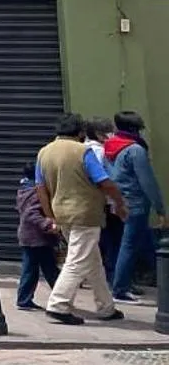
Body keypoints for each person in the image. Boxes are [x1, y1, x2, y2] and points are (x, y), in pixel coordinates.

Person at [36, 113, 128, 324]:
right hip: (85, 214)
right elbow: (104, 181)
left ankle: (106, 307)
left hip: (62, 213)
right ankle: (58, 304)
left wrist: (50, 216)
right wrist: (119, 204)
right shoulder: (82, 151)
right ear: (80, 133)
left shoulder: (44, 153)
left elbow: (40, 188)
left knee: (93, 261)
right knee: (77, 261)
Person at [106, 111, 164, 302]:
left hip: (118, 202)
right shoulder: (135, 150)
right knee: (129, 245)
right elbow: (147, 181)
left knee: (125, 244)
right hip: (135, 204)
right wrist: (160, 208)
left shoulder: (110, 146)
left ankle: (123, 283)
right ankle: (120, 288)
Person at [15, 159, 62, 310]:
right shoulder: (35, 192)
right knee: (45, 269)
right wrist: (47, 224)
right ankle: (61, 296)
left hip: (30, 236)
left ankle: (26, 299)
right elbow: (31, 213)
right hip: (37, 238)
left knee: (36, 268)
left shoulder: (23, 189)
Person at [87, 117, 122, 276]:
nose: (112, 134)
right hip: (106, 205)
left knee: (98, 243)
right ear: (99, 134)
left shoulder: (81, 149)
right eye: (109, 131)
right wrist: (118, 202)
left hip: (90, 204)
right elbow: (107, 180)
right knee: (113, 242)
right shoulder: (102, 152)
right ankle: (113, 276)